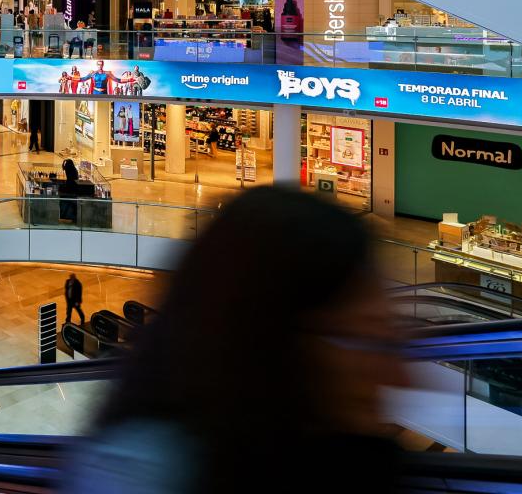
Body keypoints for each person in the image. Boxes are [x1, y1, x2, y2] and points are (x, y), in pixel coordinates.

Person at [73, 187, 407, 493]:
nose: (400, 375)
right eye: (365, 340)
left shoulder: (327, 459)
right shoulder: (150, 472)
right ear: (274, 344)